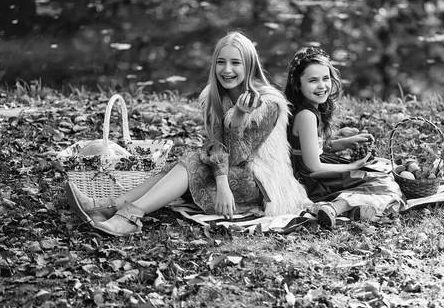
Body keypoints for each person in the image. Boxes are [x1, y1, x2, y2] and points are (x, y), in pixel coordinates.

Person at [66, 31, 308, 236]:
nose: (227, 70)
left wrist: (239, 117)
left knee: (193, 160)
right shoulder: (213, 97)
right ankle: (107, 207)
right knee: (181, 163)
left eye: (236, 63)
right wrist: (222, 180)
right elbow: (215, 146)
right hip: (230, 173)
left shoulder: (267, 104)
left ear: (250, 66)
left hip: (262, 184)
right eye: (221, 62)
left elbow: (238, 156)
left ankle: (129, 217)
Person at [284, 47, 403, 228]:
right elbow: (312, 164)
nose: (322, 86)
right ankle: (334, 208)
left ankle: (354, 209)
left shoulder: (310, 109)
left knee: (379, 175)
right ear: (298, 84)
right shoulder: (306, 116)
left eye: (325, 78)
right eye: (313, 80)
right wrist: (351, 166)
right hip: (313, 178)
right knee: (384, 184)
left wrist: (348, 142)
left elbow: (318, 147)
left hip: (314, 169)